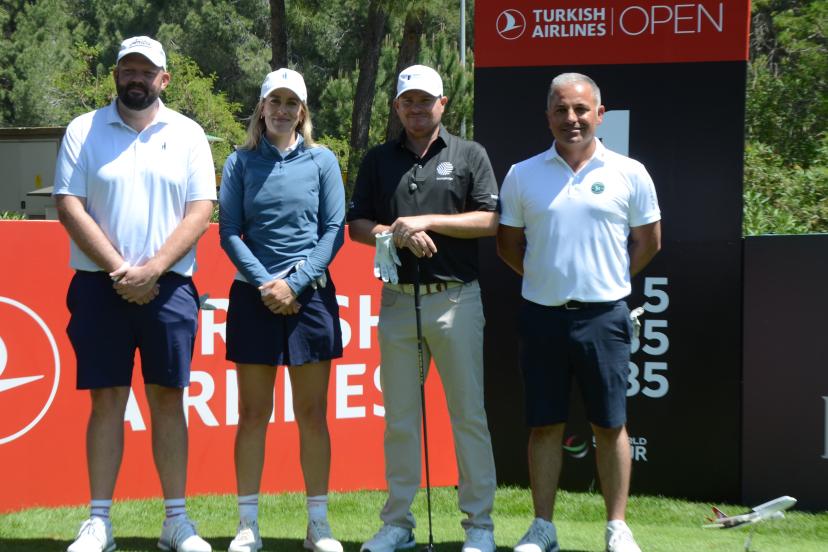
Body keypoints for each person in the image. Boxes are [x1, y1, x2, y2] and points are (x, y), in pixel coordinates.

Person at [53, 36, 216, 552]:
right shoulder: (84, 129)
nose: (137, 78)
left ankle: (176, 522)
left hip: (170, 287)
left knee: (168, 399)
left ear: (164, 79)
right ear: (116, 75)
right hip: (100, 286)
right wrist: (123, 271)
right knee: (107, 399)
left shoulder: (188, 133)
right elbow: (69, 204)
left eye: (147, 71)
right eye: (129, 70)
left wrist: (154, 269)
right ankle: (99, 522)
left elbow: (200, 210)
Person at [496, 73, 662, 552]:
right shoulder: (523, 174)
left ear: (599, 115)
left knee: (609, 425)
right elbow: (508, 244)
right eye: (562, 110)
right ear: (548, 116)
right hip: (543, 316)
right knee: (544, 425)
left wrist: (608, 280)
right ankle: (542, 528)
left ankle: (617, 528)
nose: (572, 118)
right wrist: (544, 279)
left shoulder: (630, 172)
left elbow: (649, 241)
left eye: (581, 110)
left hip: (604, 317)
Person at [348, 64, 499, 552]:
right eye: (408, 101)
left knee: (468, 415)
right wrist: (396, 232)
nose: (416, 108)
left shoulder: (469, 154)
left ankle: (479, 526)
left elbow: (489, 220)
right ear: (397, 106)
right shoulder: (378, 159)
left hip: (456, 299)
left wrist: (425, 221)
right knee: (400, 419)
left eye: (425, 100)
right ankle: (397, 522)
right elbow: (357, 225)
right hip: (398, 301)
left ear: (442, 104)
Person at [218, 68, 345, 552]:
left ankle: (318, 526)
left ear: (302, 111)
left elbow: (332, 230)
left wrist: (294, 283)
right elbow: (229, 230)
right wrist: (266, 284)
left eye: (292, 103)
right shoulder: (239, 162)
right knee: (253, 413)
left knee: (311, 414)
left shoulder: (322, 160)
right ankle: (248, 525)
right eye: (275, 101)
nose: (283, 110)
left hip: (309, 296)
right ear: (262, 107)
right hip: (254, 296)